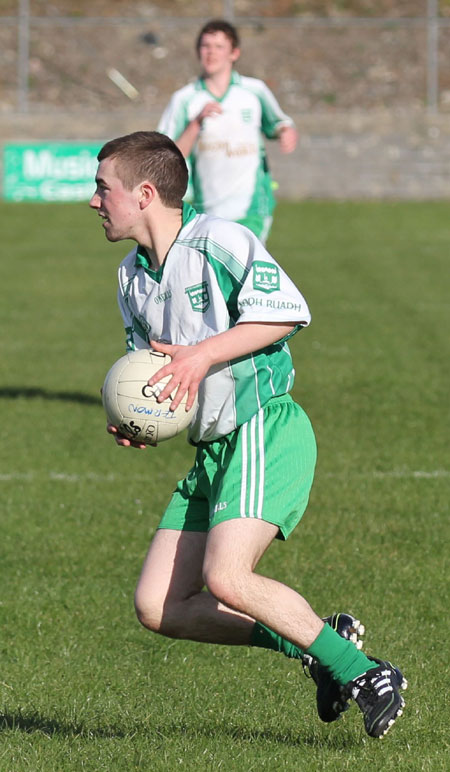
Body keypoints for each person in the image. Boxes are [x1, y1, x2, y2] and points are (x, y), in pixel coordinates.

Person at [89, 130, 407, 739]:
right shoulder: (131, 278)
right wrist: (140, 420)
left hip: (262, 425)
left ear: (145, 192)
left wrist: (202, 356)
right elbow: (156, 374)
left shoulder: (219, 242)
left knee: (226, 576)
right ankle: (318, 646)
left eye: (103, 188)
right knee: (158, 606)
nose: (94, 200)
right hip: (211, 451)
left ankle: (367, 674)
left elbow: (288, 310)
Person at [157, 19, 298, 244]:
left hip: (252, 208)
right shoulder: (185, 99)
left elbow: (279, 123)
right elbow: (168, 155)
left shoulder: (254, 91)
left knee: (241, 269)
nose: (211, 53)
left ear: (234, 53)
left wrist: (286, 132)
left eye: (219, 47)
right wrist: (196, 123)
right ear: (198, 52)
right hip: (208, 209)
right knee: (216, 275)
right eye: (206, 46)